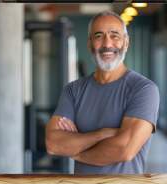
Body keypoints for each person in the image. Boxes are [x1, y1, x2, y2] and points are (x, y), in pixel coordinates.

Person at [45, 11, 160, 174]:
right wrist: (101, 134)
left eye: (115, 36)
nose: (107, 43)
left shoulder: (144, 89)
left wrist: (76, 152)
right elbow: (53, 144)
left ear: (126, 43)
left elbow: (124, 149)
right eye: (99, 36)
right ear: (90, 43)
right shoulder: (73, 90)